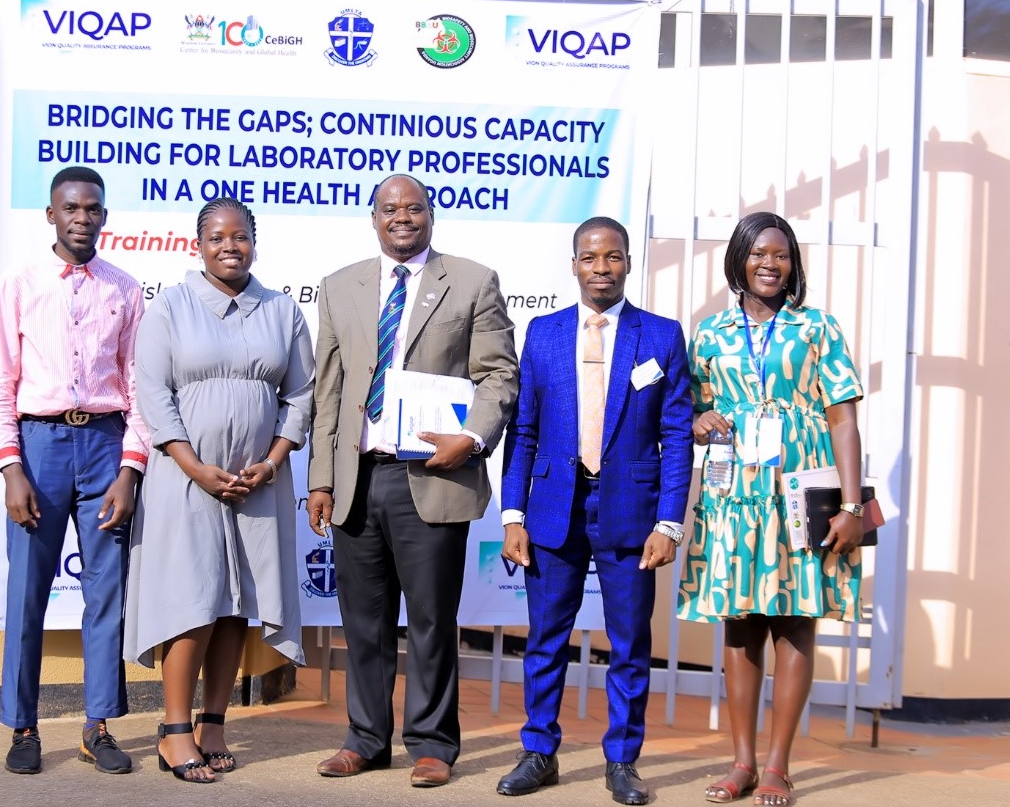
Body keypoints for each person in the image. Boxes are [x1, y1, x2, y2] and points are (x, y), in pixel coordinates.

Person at [307, 173, 519, 788]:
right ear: (373, 218)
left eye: (415, 207)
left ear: (431, 216)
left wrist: (473, 439)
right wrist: (321, 478)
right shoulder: (339, 286)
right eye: (389, 208)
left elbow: (498, 377)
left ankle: (432, 743)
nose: (403, 217)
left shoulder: (473, 281)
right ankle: (365, 739)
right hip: (357, 478)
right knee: (363, 623)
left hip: (430, 474)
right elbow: (329, 392)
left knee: (429, 621)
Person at [496, 218, 694, 805]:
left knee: (630, 644)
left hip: (632, 512)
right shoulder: (545, 333)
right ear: (574, 264)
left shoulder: (660, 335)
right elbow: (523, 430)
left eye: (612, 257)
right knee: (545, 639)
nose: (600, 268)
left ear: (629, 262)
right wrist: (513, 514)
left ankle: (623, 761)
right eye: (589, 258)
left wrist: (669, 521)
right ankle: (539, 752)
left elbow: (677, 434)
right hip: (554, 506)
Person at [677, 212, 866, 807]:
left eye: (781, 254)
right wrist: (696, 419)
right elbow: (685, 407)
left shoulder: (819, 328)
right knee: (740, 621)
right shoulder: (709, 334)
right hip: (734, 495)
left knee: (793, 619)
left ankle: (779, 766)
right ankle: (741, 763)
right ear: (738, 259)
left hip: (799, 489)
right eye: (758, 252)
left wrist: (853, 504)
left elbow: (844, 419)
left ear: (793, 265)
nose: (769, 263)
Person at [124, 198, 314, 784]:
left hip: (257, 481)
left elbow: (301, 395)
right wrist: (193, 465)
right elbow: (153, 394)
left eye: (240, 236)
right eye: (216, 237)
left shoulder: (282, 311)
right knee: (193, 601)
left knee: (239, 604)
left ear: (254, 242)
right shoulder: (170, 308)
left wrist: (274, 461)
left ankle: (214, 723)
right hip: (188, 481)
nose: (229, 246)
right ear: (197, 244)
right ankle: (174, 731)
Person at [0, 165, 149, 776]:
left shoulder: (125, 290)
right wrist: (10, 467)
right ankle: (23, 727)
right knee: (27, 592)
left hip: (104, 445)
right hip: (40, 445)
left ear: (104, 216)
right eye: (71, 208)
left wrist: (130, 469)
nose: (82, 218)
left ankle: (97, 725)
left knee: (107, 594)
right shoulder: (21, 285)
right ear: (51, 215)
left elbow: (138, 388)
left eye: (93, 209)